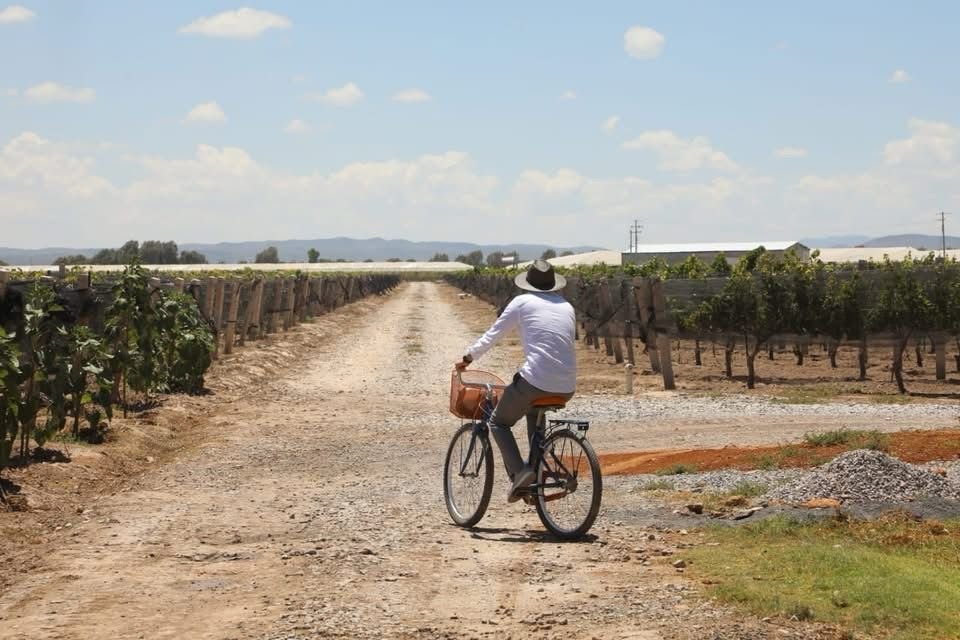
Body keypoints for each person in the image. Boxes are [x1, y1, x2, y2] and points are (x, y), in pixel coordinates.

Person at [456, 259, 576, 502]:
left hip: (535, 380)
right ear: (552, 285)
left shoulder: (522, 302)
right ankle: (537, 478)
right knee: (534, 413)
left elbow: (494, 334)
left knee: (498, 422)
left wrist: (468, 357)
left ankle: (520, 473)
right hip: (567, 386)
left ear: (528, 283)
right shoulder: (567, 306)